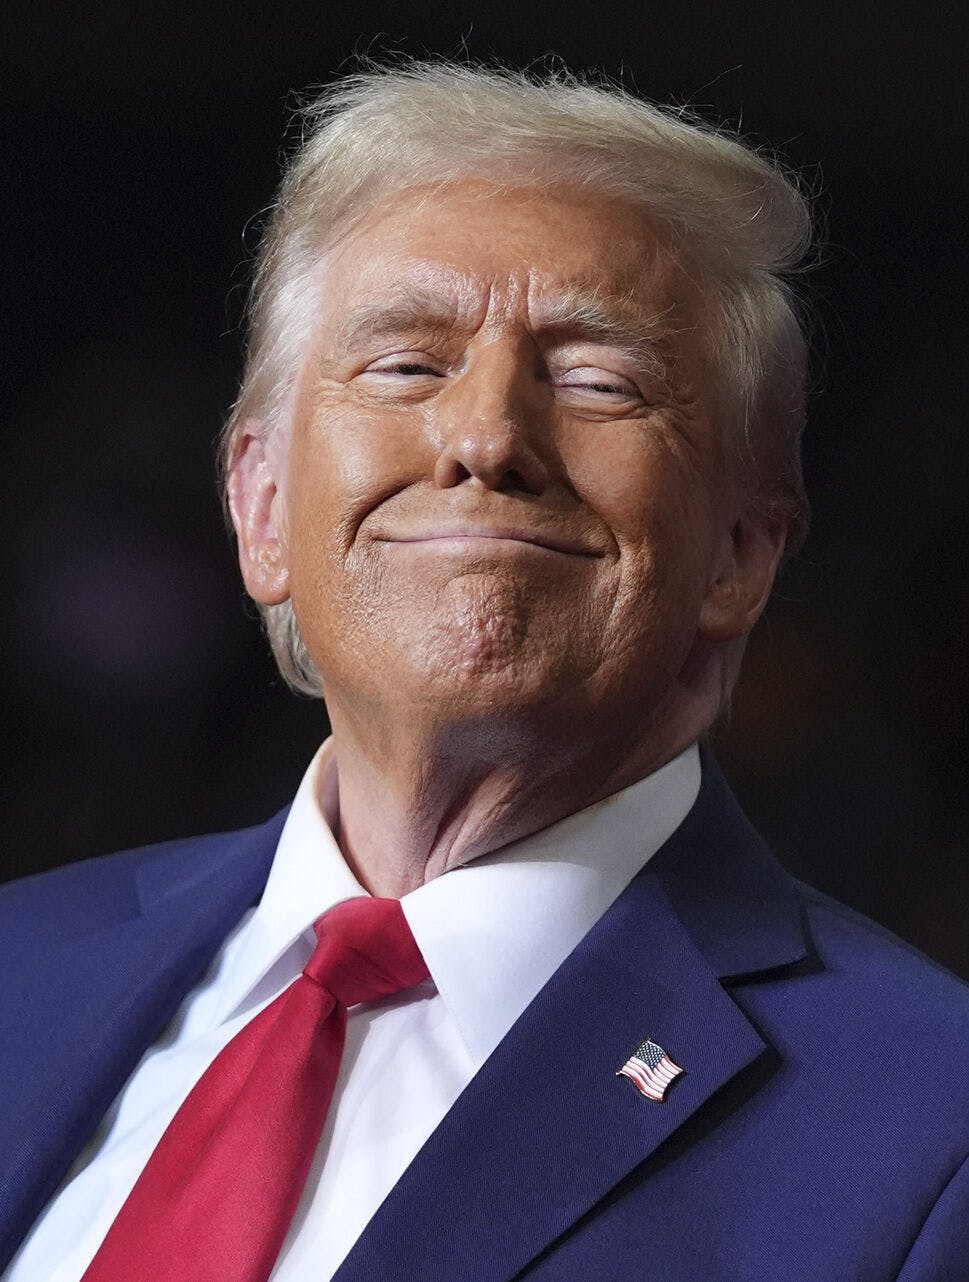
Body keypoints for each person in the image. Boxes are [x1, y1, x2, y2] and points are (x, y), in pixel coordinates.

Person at [2, 61, 968, 1282]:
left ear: (739, 553)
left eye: (598, 379)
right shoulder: (16, 968)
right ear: (261, 506)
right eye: (406, 364)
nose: (486, 437)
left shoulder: (932, 1140)